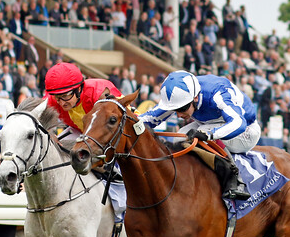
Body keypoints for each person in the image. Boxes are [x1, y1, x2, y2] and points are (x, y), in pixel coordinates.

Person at [139, 71, 259, 200]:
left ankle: (235, 180)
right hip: (214, 123)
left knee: (199, 133)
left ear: (195, 97)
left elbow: (239, 123)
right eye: (175, 110)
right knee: (179, 137)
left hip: (246, 131)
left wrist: (209, 134)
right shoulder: (182, 95)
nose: (178, 115)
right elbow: (150, 119)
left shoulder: (217, 94)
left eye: (182, 109)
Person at [43, 62, 126, 227]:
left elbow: (122, 120)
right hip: (79, 131)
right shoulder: (54, 100)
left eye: (65, 96)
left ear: (79, 88)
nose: (61, 103)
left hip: (108, 134)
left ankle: (121, 205)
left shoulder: (99, 91)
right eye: (57, 97)